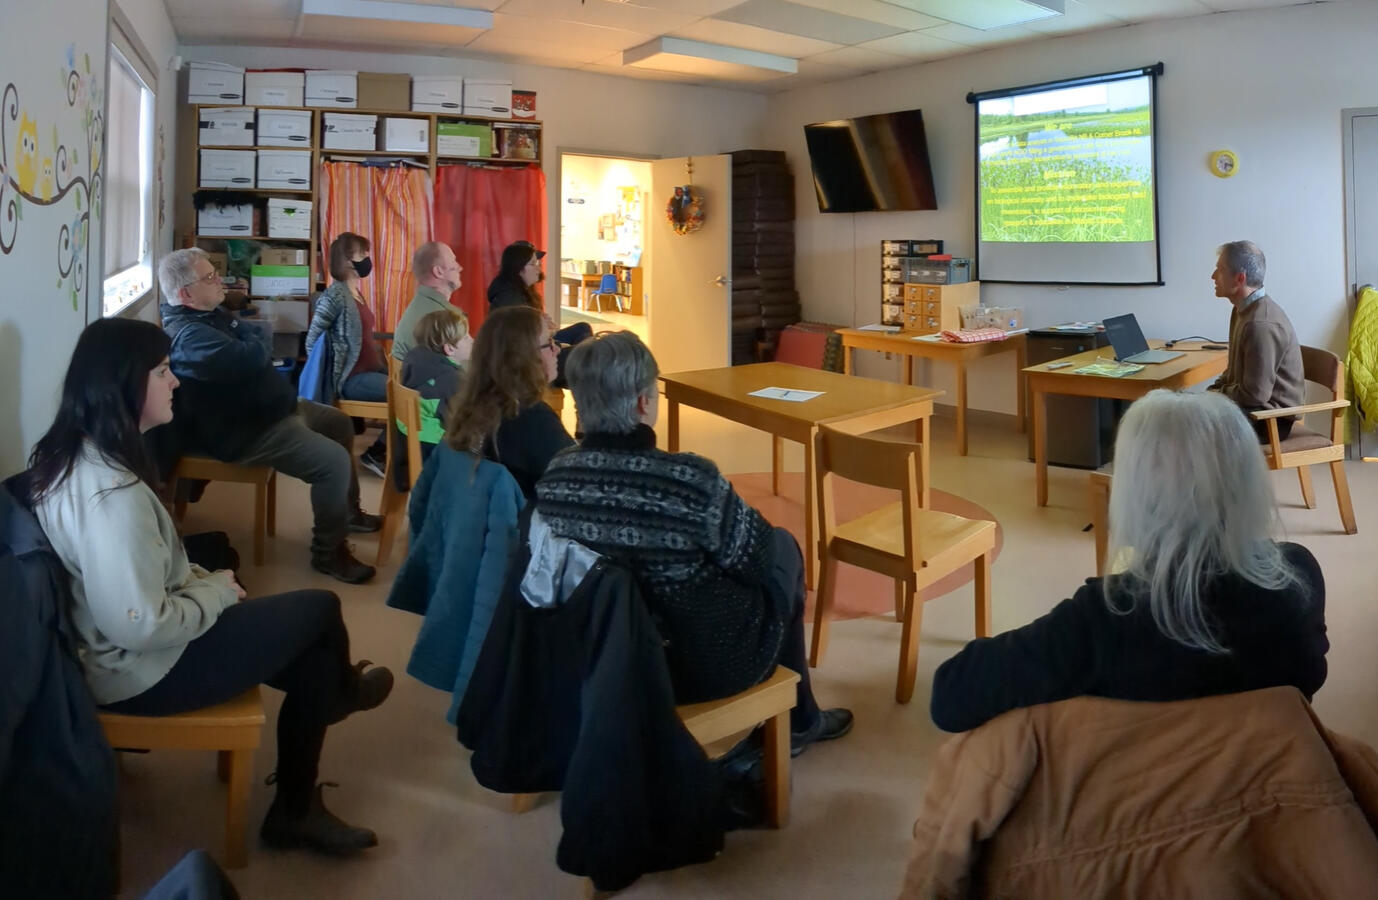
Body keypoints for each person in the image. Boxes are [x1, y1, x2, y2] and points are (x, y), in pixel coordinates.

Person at [21, 318, 394, 855]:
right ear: (123, 385)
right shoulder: (112, 497)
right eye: (162, 372)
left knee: (295, 631)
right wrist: (215, 592)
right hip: (139, 671)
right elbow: (141, 623)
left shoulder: (74, 451)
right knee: (320, 610)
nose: (176, 382)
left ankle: (313, 752)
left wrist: (206, 583)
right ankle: (329, 718)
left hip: (121, 650)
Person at [929, 389, 1327, 734]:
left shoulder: (1107, 615)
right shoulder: (1299, 575)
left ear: (1136, 490)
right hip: (1272, 792)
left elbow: (950, 697)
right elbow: (1310, 671)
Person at [535, 331, 853, 755]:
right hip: (701, 667)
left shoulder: (556, 476)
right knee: (783, 548)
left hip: (598, 661)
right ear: (644, 403)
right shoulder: (686, 481)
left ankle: (799, 718)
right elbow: (758, 563)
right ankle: (798, 720)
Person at [159, 247, 379, 584]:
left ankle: (347, 514)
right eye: (209, 277)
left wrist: (242, 328)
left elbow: (256, 347)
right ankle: (328, 553)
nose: (219, 280)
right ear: (185, 294)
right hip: (246, 431)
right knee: (332, 462)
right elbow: (260, 348)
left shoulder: (209, 315)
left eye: (214, 273)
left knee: (337, 422)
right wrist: (246, 329)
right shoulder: (191, 336)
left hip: (269, 411)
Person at [444, 305, 573, 500]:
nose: (557, 349)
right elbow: (577, 482)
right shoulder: (531, 418)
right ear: (524, 357)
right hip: (522, 524)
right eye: (549, 343)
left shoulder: (479, 405)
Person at [1206, 240, 1304, 441]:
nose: (1213, 276)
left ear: (1239, 279)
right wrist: (1214, 392)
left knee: (1189, 427)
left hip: (1269, 421)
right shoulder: (1241, 311)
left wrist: (1217, 396)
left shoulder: (1260, 324)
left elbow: (1254, 395)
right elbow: (1234, 373)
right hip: (1251, 411)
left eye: (1220, 270)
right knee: (1188, 416)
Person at [307, 232, 388, 476]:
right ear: (346, 260)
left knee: (413, 385)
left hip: (369, 371)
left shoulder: (356, 294)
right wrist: (329, 379)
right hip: (352, 379)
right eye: (362, 254)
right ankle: (378, 453)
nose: (366, 258)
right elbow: (312, 341)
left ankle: (383, 452)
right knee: (406, 393)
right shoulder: (334, 295)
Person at [487, 239, 592, 385]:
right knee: (588, 356)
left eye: (538, 263)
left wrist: (543, 325)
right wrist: (549, 334)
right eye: (533, 264)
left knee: (582, 329)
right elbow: (525, 341)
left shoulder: (518, 290)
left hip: (536, 349)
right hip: (526, 362)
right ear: (518, 268)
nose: (539, 268)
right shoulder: (510, 299)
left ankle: (574, 378)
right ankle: (572, 379)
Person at [400, 306, 472, 464]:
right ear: (449, 348)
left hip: (406, 442)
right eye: (466, 337)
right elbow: (458, 422)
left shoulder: (415, 360)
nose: (472, 340)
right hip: (432, 451)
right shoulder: (451, 377)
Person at [391, 241, 463, 363]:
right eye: (453, 262)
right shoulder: (447, 317)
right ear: (438, 271)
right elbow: (467, 369)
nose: (460, 267)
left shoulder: (418, 305)